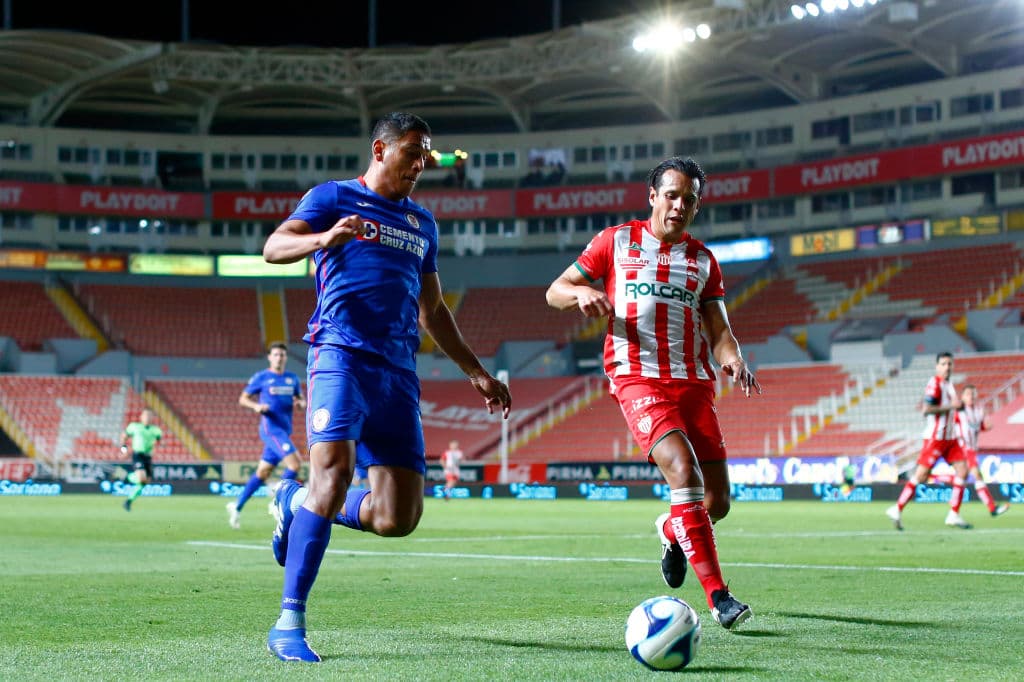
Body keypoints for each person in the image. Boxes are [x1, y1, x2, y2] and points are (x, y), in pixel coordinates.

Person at [261, 111, 511, 663]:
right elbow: (273, 248)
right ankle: (289, 622)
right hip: (340, 357)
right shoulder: (332, 197)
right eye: (413, 153)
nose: (421, 165)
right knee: (333, 475)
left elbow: (435, 310)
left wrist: (477, 372)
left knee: (398, 519)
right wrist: (324, 238)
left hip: (398, 375)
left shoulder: (423, 223)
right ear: (381, 149)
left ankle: (294, 502)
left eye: (427, 156)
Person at [545, 155, 761, 631]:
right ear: (652, 196)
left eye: (690, 199)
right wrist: (580, 294)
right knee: (683, 472)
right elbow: (554, 290)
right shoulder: (615, 241)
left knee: (717, 502)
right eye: (672, 195)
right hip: (637, 377)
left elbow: (719, 329)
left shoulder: (703, 261)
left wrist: (734, 359)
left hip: (694, 383)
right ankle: (719, 597)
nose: (680, 205)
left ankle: (670, 529)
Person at [886, 352, 973, 530]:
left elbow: (952, 408)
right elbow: (927, 409)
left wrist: (959, 407)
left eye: (950, 364)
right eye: (943, 364)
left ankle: (953, 514)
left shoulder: (949, 385)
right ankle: (897, 508)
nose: (947, 367)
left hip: (950, 438)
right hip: (935, 438)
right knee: (921, 476)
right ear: (937, 366)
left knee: (963, 471)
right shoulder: (934, 384)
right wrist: (952, 406)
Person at [227, 342, 306, 529]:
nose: (279, 358)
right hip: (271, 429)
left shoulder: (292, 379)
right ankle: (277, 500)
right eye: (276, 354)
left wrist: (301, 404)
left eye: (282, 355)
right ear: (270, 357)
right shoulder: (262, 377)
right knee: (295, 464)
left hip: (284, 430)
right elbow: (243, 398)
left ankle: (236, 506)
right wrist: (256, 406)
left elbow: (300, 399)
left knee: (262, 473)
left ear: (286, 358)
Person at [957, 384, 1009, 517]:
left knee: (961, 478)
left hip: (972, 448)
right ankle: (992, 508)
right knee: (977, 475)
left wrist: (985, 427)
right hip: (963, 447)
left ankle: (953, 512)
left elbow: (976, 427)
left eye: (973, 394)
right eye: (968, 394)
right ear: (962, 397)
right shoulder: (958, 411)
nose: (971, 396)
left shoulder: (978, 411)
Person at [120, 408, 162, 511]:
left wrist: (155, 448)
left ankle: (128, 501)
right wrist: (124, 450)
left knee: (144, 482)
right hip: (137, 454)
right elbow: (124, 437)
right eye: (145, 415)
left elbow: (158, 442)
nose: (147, 418)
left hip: (148, 457)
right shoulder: (134, 427)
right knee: (141, 478)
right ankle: (128, 477)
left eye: (149, 416)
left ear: (152, 418)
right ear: (141, 417)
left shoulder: (156, 430)